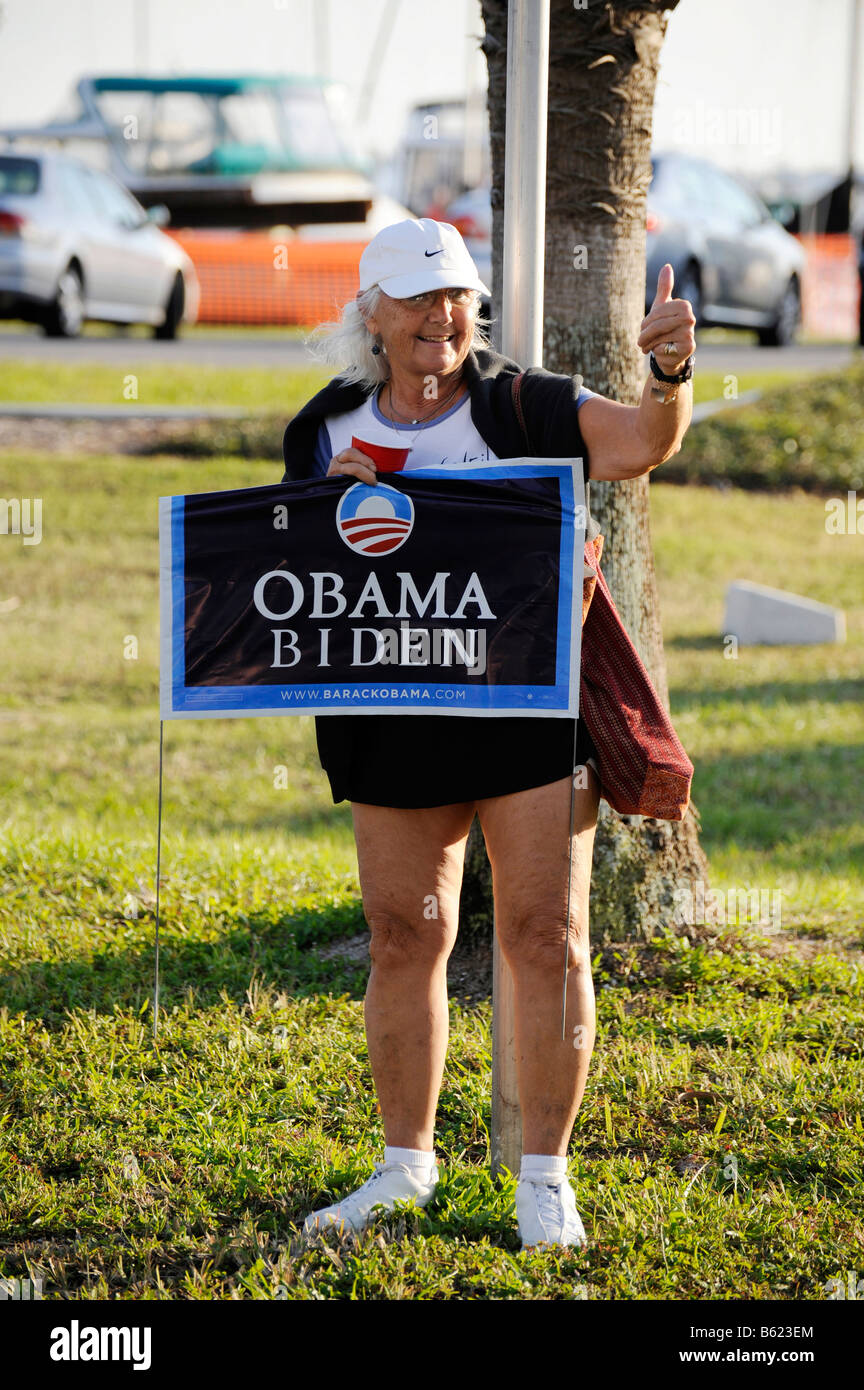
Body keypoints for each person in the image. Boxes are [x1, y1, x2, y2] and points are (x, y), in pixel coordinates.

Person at [281, 218, 695, 1249]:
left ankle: (545, 1179)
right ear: (369, 314)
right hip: (393, 721)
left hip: (524, 716)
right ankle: (403, 1167)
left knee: (545, 934)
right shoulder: (325, 429)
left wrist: (671, 371)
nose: (443, 316)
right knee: (407, 934)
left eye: (457, 295)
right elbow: (281, 564)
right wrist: (313, 517)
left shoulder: (522, 403)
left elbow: (642, 447)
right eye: (420, 299)